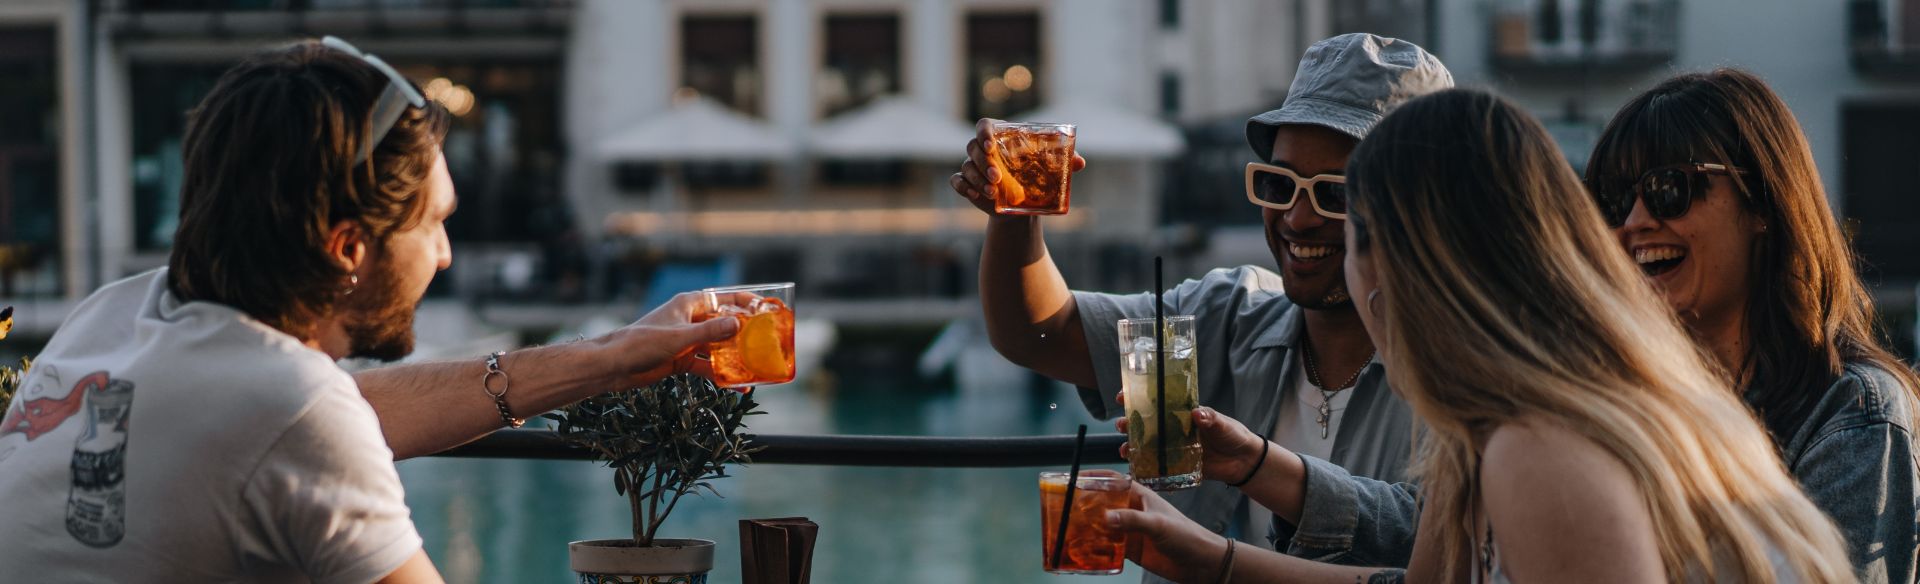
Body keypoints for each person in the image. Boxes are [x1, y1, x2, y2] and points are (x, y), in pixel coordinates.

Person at [0, 38, 738, 582]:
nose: (444, 255)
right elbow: (310, 420)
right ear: (349, 248)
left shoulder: (115, 317)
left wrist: (612, 359)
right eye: (433, 223)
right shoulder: (288, 411)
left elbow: (338, 413)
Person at [1191, 68, 1920, 583]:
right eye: (1612, 199)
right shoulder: (1526, 421)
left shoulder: (1543, 443)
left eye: (1669, 190)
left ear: (1396, 265)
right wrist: (1203, 554)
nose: (1636, 222)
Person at [949, 33, 1451, 567]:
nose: (1298, 218)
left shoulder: (1466, 368)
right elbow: (1038, 331)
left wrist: (1255, 470)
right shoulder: (1228, 314)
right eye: (1279, 185)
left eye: (1337, 193)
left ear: (1420, 205)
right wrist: (1016, 211)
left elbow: (1435, 540)